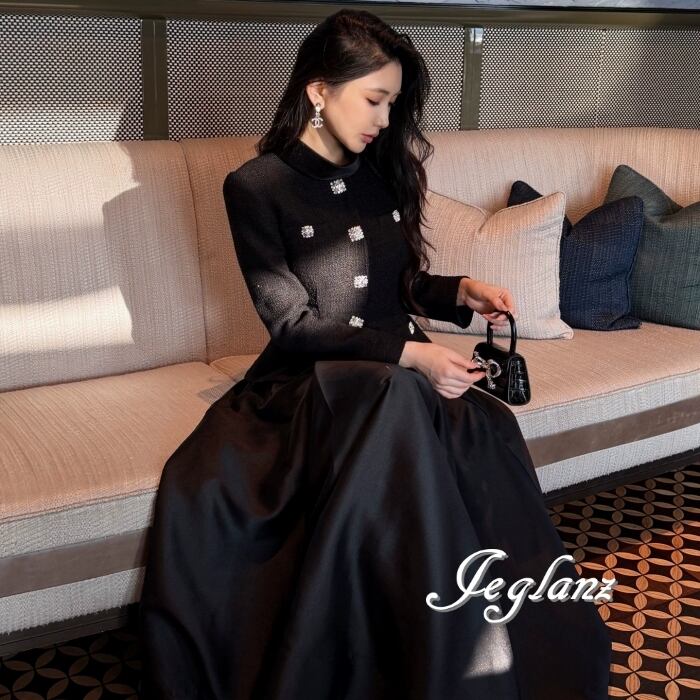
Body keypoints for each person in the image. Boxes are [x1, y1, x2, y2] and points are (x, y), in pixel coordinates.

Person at [138, 9, 611, 699]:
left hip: (394, 379)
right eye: (375, 100)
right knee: (400, 399)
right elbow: (292, 325)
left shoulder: (381, 174)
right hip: (309, 386)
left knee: (481, 423)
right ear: (319, 91)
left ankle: (488, 652)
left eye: (392, 104)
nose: (385, 120)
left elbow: (399, 287)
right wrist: (412, 357)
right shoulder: (255, 186)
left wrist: (459, 292)